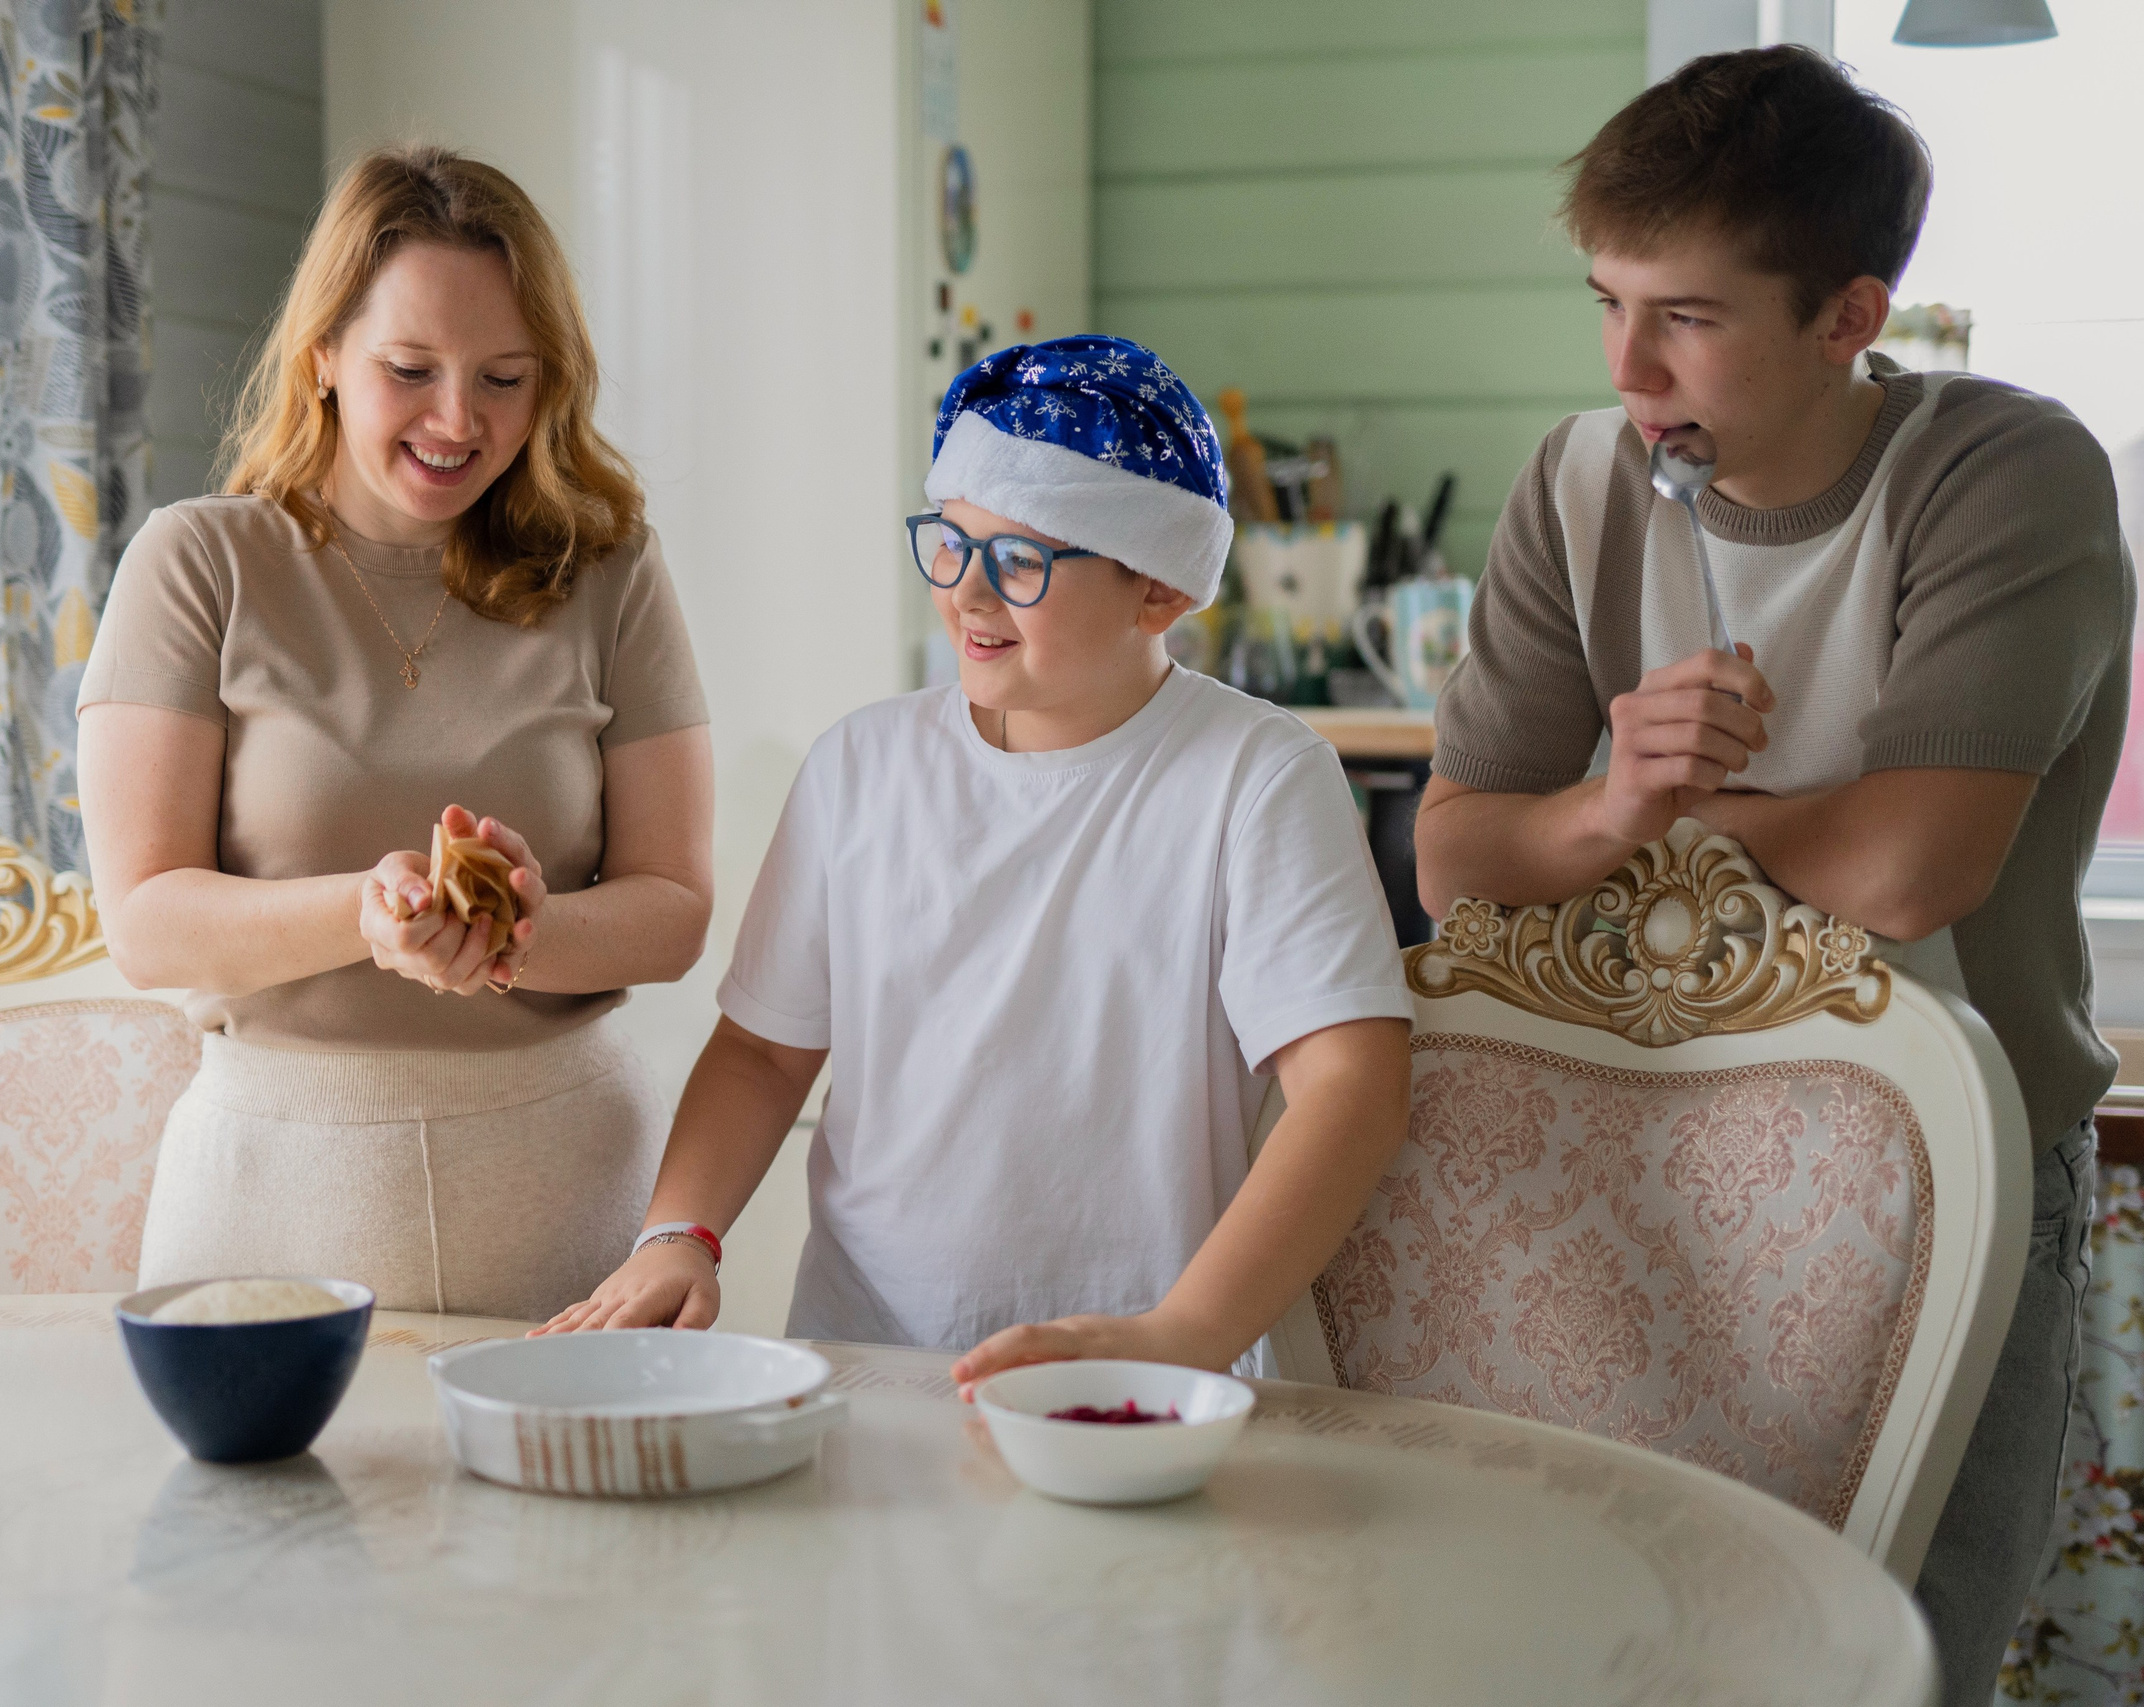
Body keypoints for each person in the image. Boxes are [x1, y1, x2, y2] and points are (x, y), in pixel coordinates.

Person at [1412, 49, 2133, 1705]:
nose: (1630, 365)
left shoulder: (2007, 475)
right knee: (1613, 1649)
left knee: (1902, 1660)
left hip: (1955, 1170)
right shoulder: (1578, 484)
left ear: (1847, 316)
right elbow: (1458, 861)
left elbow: (1906, 873)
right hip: (1628, 1164)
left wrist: (1625, 826)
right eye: (1607, 301)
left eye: (1690, 315)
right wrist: (1612, 804)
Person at [537, 336, 1414, 1389]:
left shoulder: (1255, 778)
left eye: (1023, 560)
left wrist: (1186, 1333)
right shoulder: (859, 766)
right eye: (949, 544)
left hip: (1151, 1381)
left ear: (1160, 589)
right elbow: (764, 1053)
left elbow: (1349, 1085)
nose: (967, 595)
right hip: (868, 1366)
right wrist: (678, 1232)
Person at [75, 147, 715, 1321]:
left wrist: (524, 926)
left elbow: (672, 910)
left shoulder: (609, 571)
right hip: (268, 1189)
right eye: (409, 369)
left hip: (562, 1185)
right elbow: (147, 924)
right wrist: (368, 918)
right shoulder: (198, 562)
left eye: (505, 378)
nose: (458, 420)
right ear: (321, 356)